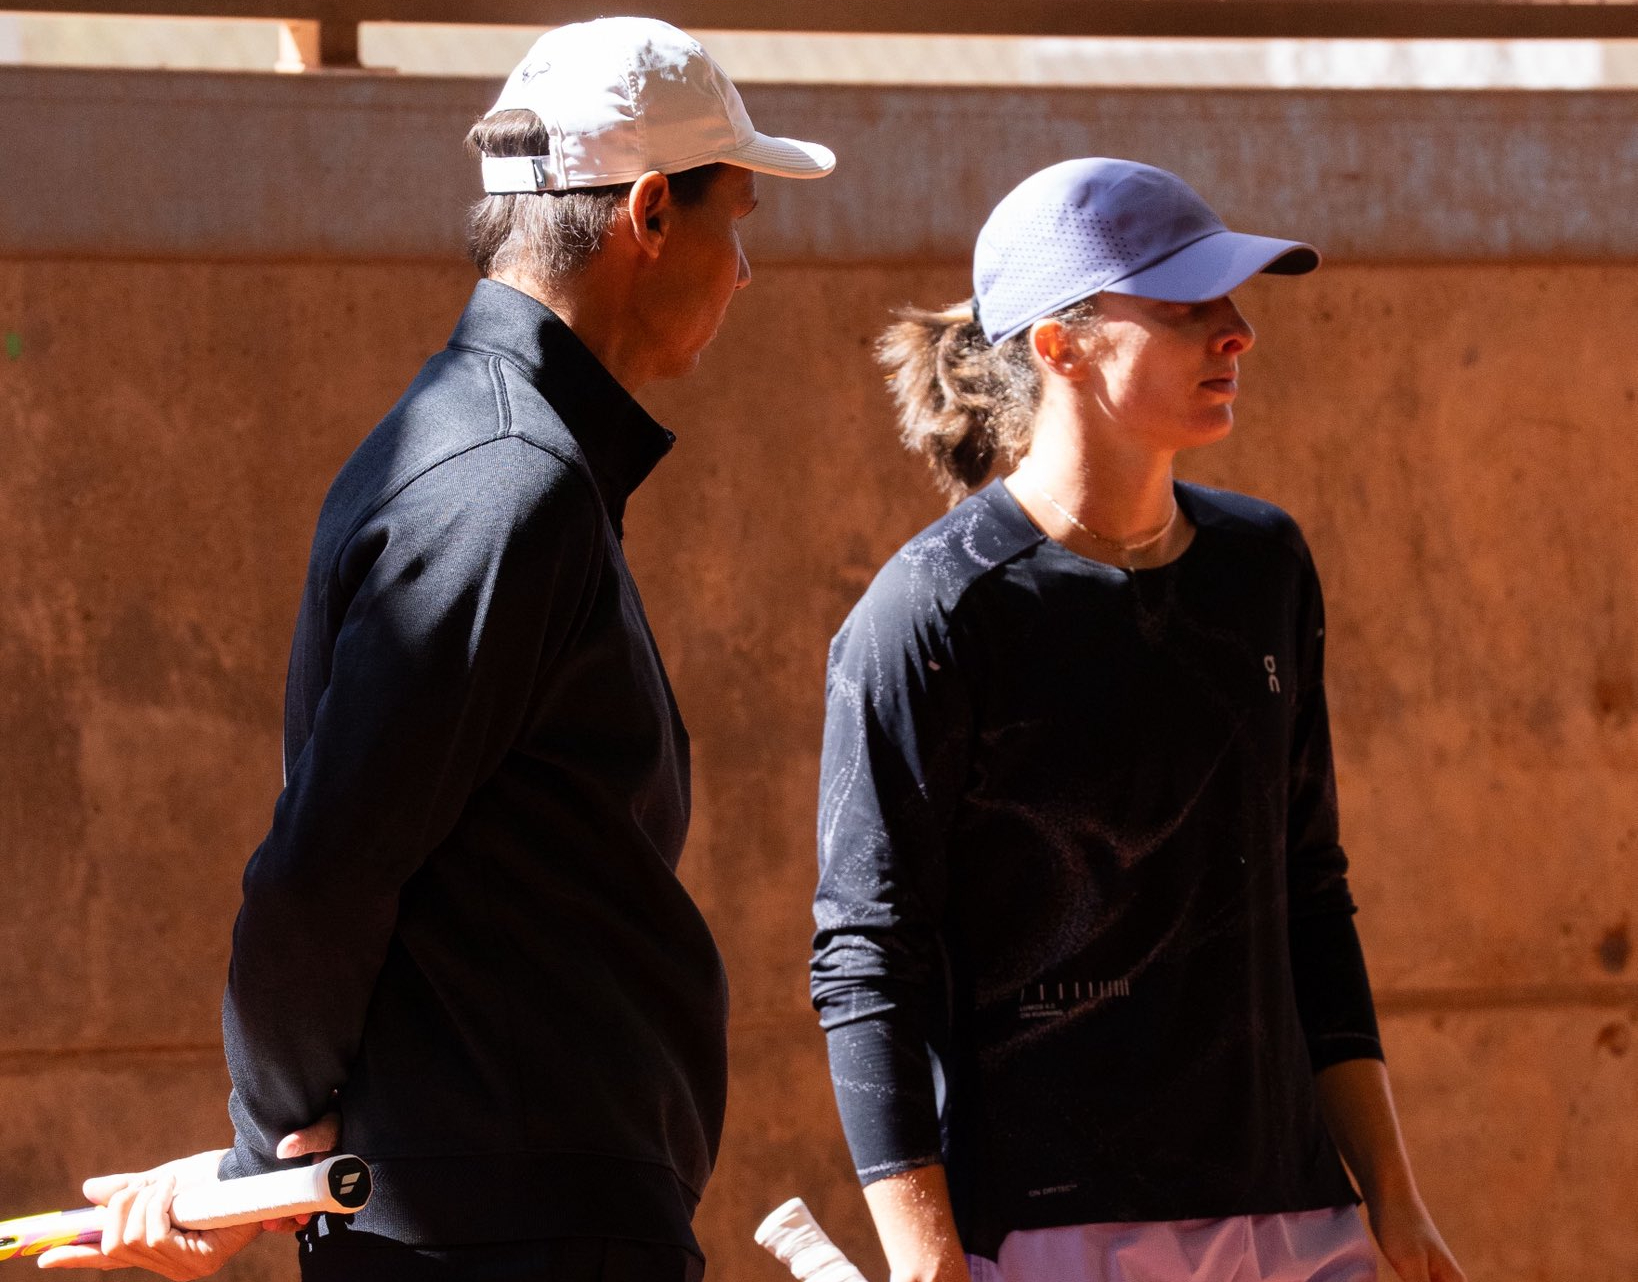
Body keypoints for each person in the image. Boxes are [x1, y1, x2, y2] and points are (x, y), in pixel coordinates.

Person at [40, 18, 833, 1282]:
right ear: (648, 214)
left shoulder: (495, 461)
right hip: (510, 1241)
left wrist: (260, 1166)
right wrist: (264, 1164)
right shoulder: (504, 485)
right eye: (737, 217)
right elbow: (325, 868)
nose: (746, 269)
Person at [810, 158, 1463, 1282]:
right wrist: (926, 1267)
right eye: (1186, 306)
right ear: (1059, 347)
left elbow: (1311, 893)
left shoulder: (1266, 567)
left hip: (1304, 1221)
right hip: (1062, 1237)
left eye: (1234, 301)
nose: (1240, 332)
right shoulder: (931, 613)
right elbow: (869, 957)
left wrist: (1395, 1206)